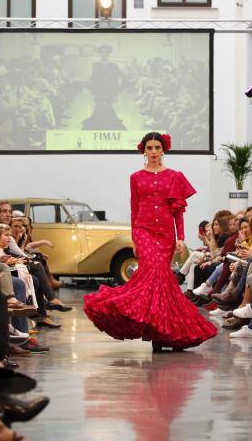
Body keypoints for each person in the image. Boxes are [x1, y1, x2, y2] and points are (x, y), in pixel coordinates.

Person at [83, 132, 217, 351]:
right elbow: (134, 209)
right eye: (149, 148)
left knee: (162, 281)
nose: (153, 152)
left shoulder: (174, 176)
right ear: (143, 150)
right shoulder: (136, 177)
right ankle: (158, 331)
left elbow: (179, 211)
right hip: (144, 231)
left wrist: (180, 237)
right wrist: (136, 238)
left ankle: (163, 333)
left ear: (163, 149)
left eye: (157, 147)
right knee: (152, 275)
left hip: (165, 233)